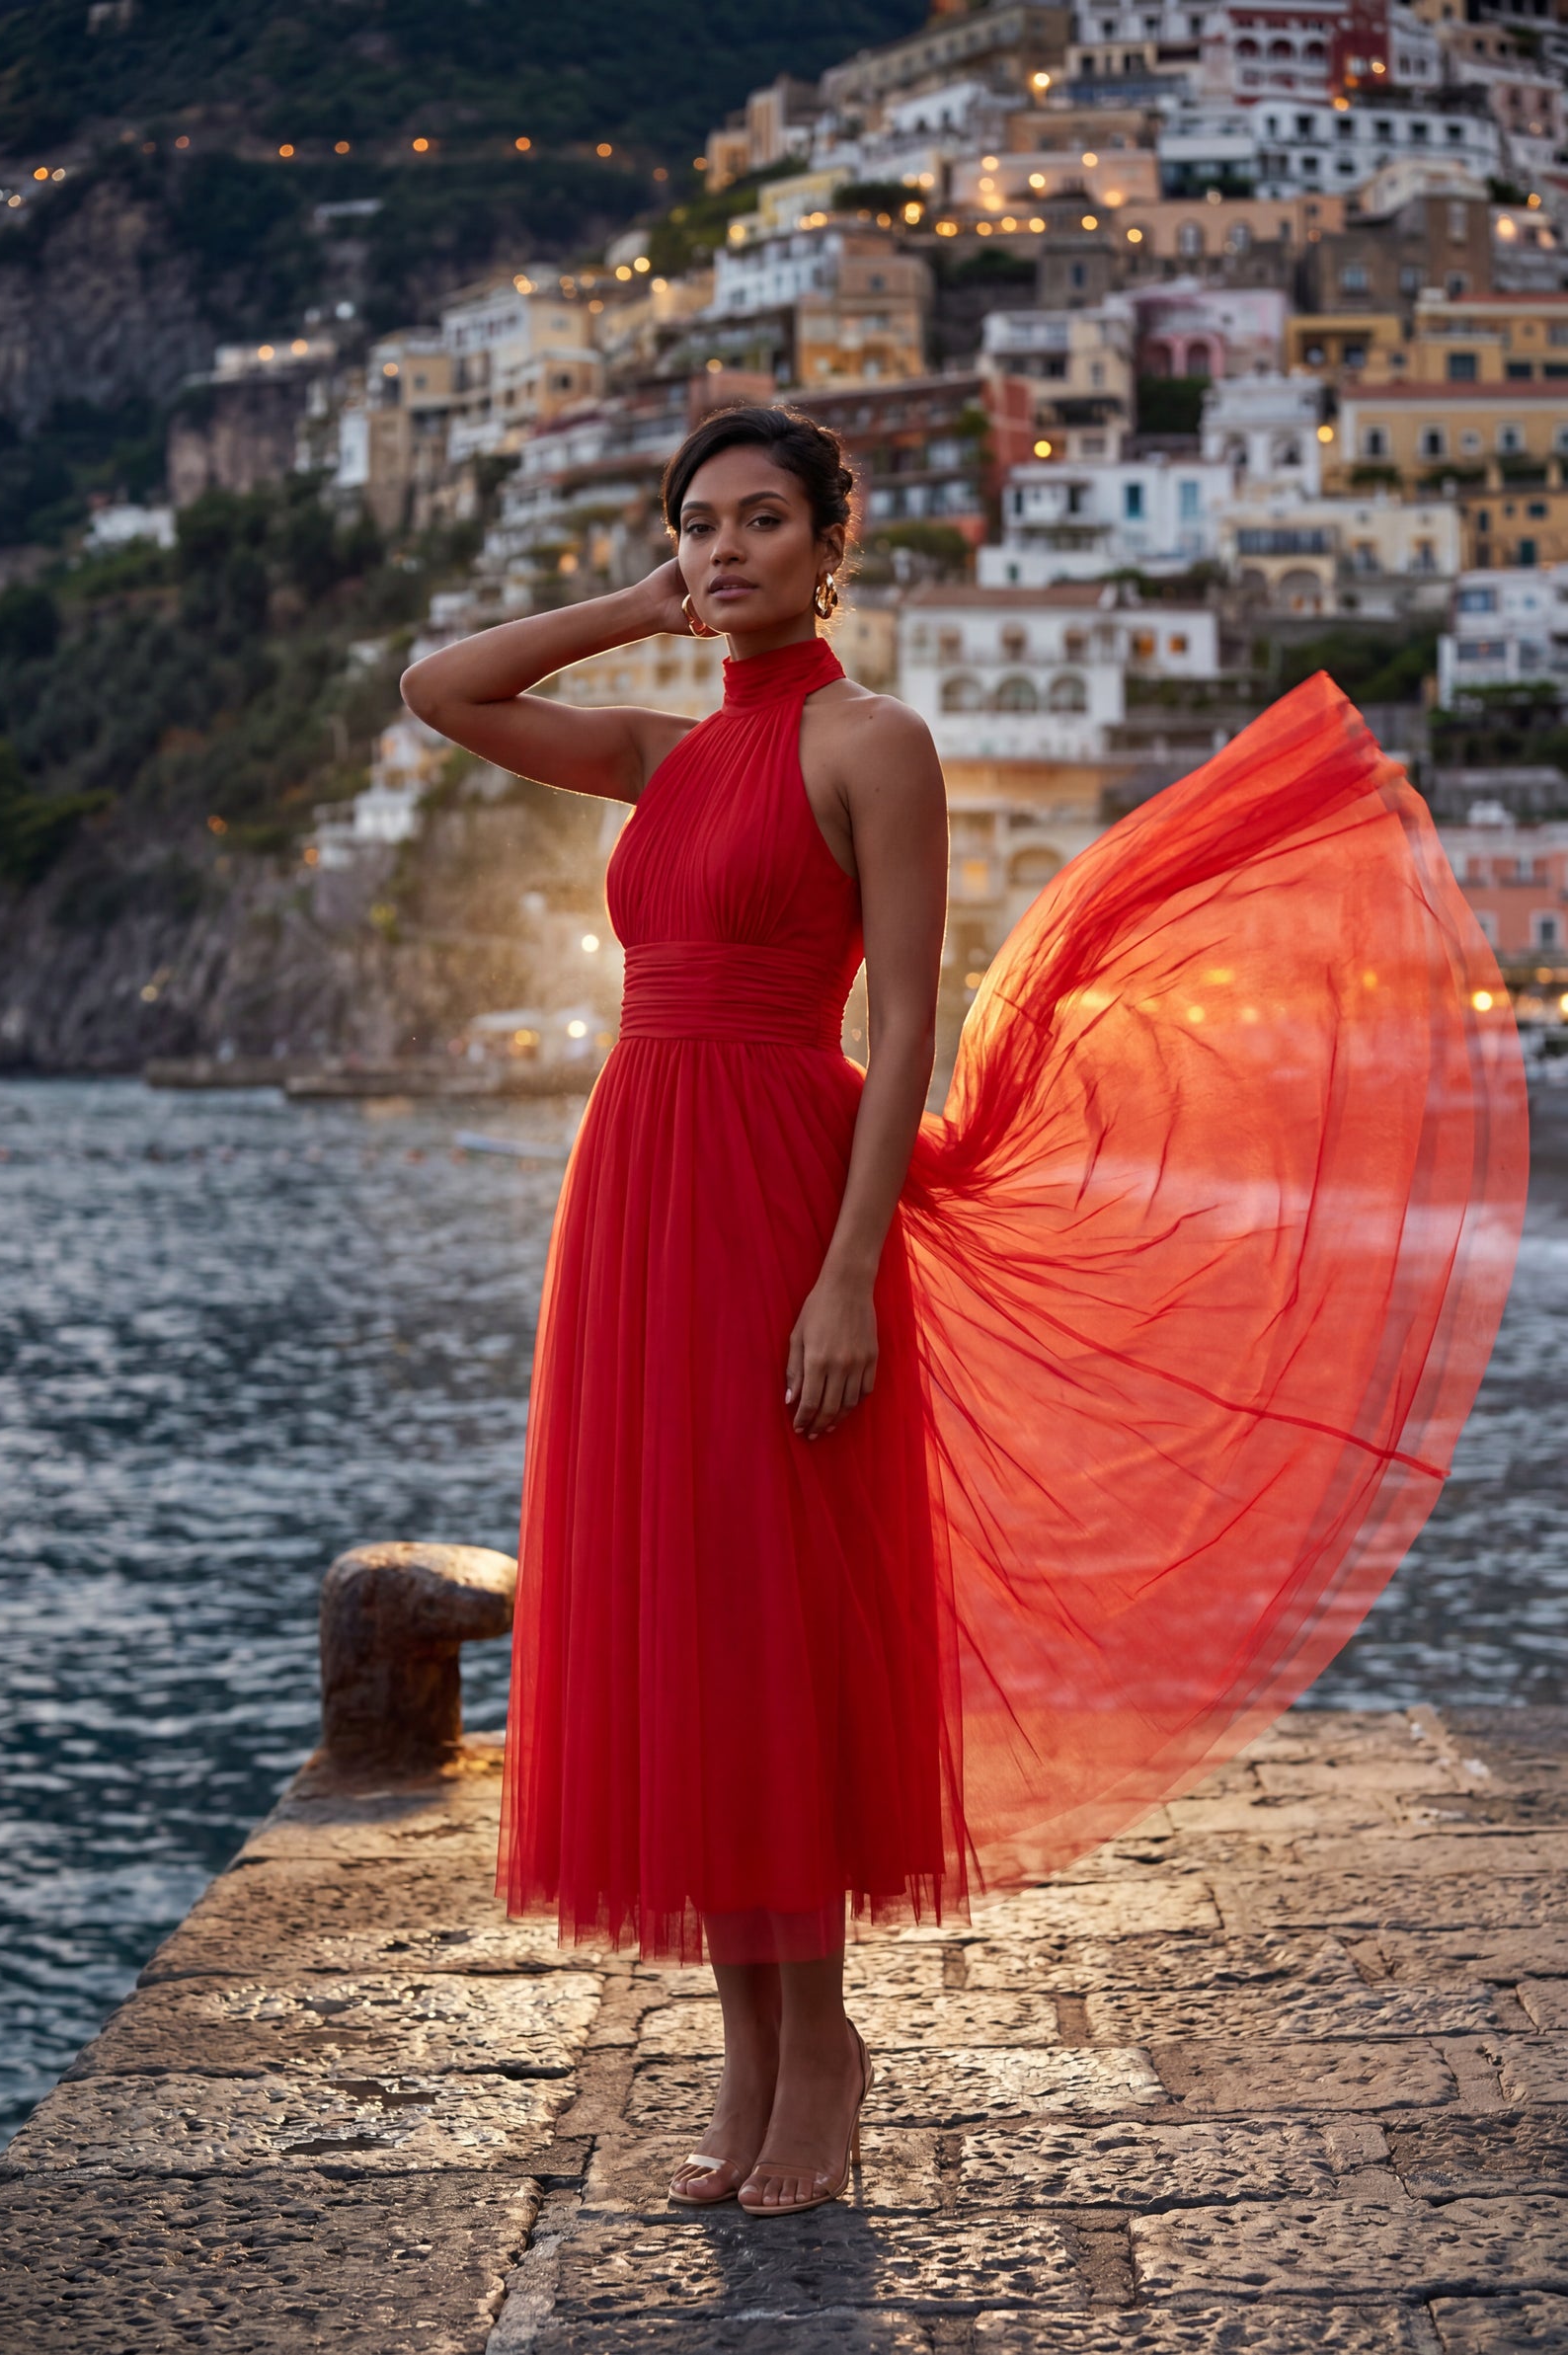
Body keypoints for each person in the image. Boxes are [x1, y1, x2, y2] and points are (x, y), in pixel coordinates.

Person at [402, 403, 1527, 2222]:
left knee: (781, 1622)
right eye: (700, 524)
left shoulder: (876, 743)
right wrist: (630, 602)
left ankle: (821, 2045)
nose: (728, 548)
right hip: (634, 1194)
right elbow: (438, 688)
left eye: (764, 520)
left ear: (833, 544)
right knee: (690, 1620)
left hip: (784, 1184)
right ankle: (746, 2053)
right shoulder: (659, 752)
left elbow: (906, 1023)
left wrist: (850, 1268)